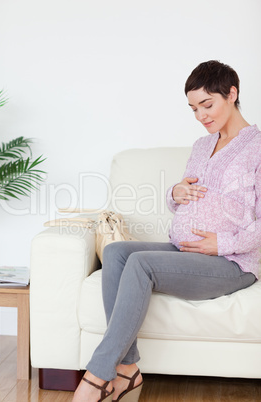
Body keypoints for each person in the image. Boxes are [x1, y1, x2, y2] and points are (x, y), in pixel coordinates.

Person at [72, 60, 260, 402]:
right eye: (193, 108)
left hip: (231, 263)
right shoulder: (202, 145)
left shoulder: (257, 147)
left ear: (232, 94)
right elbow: (187, 197)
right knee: (115, 252)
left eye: (207, 104)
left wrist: (222, 244)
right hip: (184, 249)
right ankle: (128, 370)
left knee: (142, 263)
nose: (201, 115)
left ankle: (97, 375)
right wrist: (175, 193)